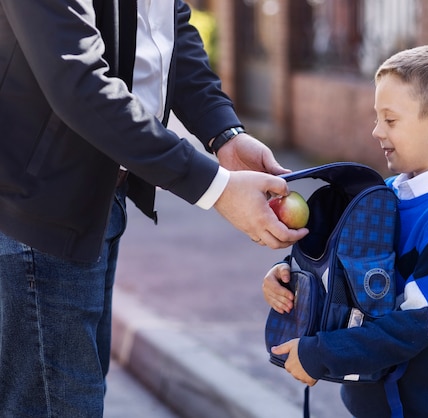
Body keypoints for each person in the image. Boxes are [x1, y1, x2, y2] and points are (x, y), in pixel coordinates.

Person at [0, 0, 308, 416]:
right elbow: (76, 79)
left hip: (102, 195)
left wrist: (224, 133)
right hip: (38, 207)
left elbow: (169, 32)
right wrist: (215, 187)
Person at [262, 44, 428, 418]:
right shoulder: (392, 192)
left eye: (391, 120)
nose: (376, 130)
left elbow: (415, 325)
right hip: (374, 400)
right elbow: (344, 267)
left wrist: (323, 354)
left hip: (412, 408)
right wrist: (288, 274)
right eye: (377, 117)